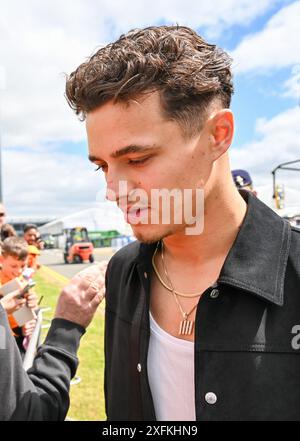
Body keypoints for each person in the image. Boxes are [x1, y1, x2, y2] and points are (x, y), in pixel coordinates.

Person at [66, 25, 300, 421]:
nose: (113, 190)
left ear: (218, 135)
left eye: (137, 159)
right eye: (103, 166)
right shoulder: (123, 271)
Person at [0, 262, 105, 420]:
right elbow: (25, 412)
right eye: (13, 264)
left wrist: (22, 314)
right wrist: (66, 329)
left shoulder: (19, 281)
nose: (21, 269)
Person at [0, 237, 38, 356]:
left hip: (19, 336)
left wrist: (32, 301)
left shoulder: (23, 281)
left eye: (23, 266)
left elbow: (29, 308)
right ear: (1, 259)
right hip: (3, 336)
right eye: (13, 266)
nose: (18, 271)